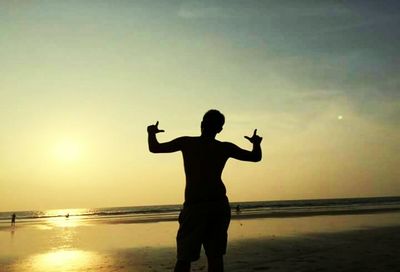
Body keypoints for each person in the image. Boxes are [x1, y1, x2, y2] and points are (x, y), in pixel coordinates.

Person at [147, 109, 262, 272]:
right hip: (217, 205)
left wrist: (151, 133)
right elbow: (255, 157)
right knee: (214, 256)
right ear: (220, 129)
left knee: (185, 257)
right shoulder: (224, 147)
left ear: (202, 124)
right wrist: (256, 143)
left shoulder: (187, 143)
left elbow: (155, 147)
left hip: (197, 206)